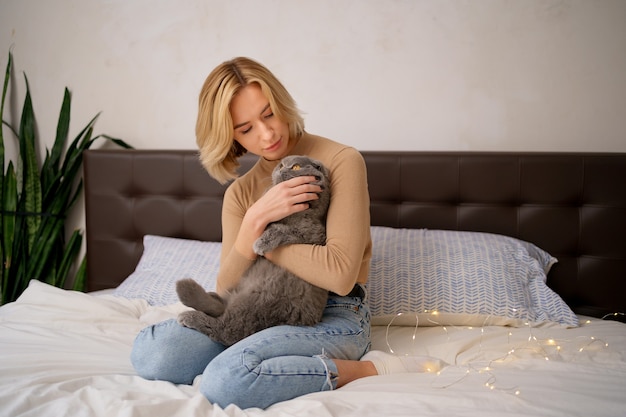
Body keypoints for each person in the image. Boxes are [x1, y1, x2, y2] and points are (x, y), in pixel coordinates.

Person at [130, 57, 436, 410]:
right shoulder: (241, 193)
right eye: (245, 129)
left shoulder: (341, 160)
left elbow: (339, 275)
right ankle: (259, 353)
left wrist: (265, 240)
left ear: (281, 101)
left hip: (332, 314)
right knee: (153, 353)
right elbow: (227, 287)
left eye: (269, 113)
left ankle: (367, 369)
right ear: (230, 136)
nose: (267, 133)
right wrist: (254, 220)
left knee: (227, 379)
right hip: (251, 308)